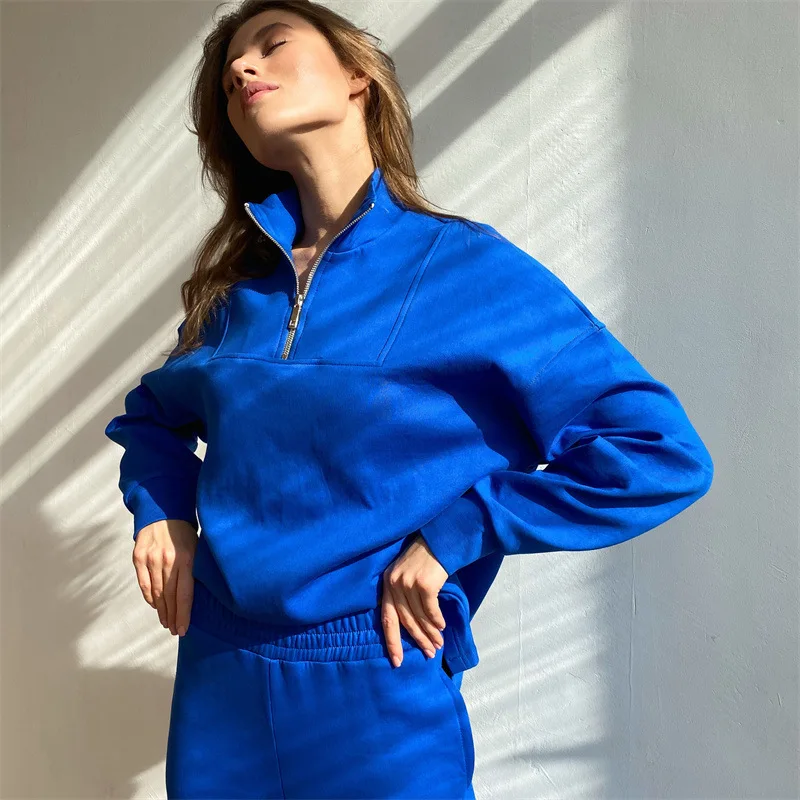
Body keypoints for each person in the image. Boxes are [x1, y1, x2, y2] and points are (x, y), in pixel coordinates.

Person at [104, 1, 715, 797]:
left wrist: (460, 529)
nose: (244, 70)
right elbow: (151, 419)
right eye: (227, 80)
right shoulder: (238, 293)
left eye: (272, 45)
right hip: (218, 681)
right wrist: (162, 512)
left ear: (358, 76)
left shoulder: (468, 271)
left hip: (377, 683)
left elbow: (658, 452)